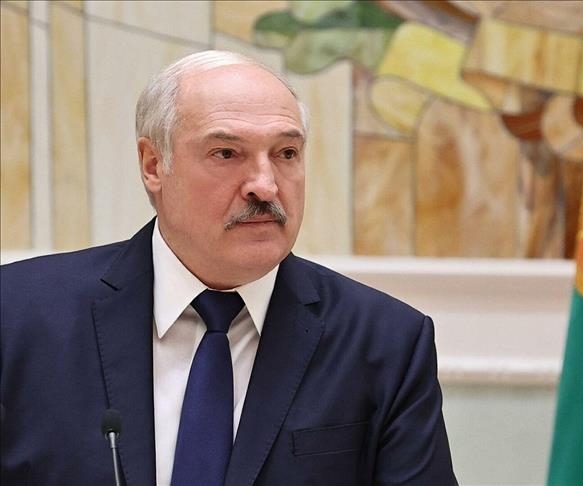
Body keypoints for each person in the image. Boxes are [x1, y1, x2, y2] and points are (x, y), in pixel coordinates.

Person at [0, 50, 457, 485]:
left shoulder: (385, 342)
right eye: (227, 153)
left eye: (286, 153)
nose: (265, 185)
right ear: (154, 165)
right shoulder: (18, 316)